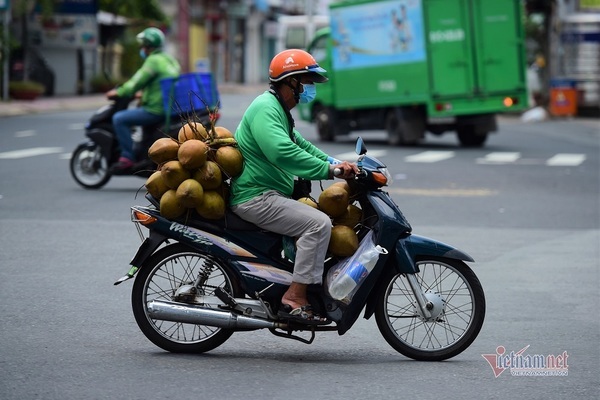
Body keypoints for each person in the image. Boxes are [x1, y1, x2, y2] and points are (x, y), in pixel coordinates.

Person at [229, 49, 358, 324]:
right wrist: (329, 170)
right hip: (256, 197)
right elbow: (282, 151)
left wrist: (338, 162)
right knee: (318, 224)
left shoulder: (278, 110)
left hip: (269, 194)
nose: (308, 90)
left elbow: (302, 145)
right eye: (306, 83)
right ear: (291, 82)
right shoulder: (266, 108)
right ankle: (295, 297)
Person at [106, 27, 181, 171]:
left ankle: (127, 156)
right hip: (168, 107)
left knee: (119, 119)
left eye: (142, 45)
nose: (141, 48)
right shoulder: (169, 59)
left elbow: (136, 83)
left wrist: (118, 92)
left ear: (147, 46)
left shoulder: (153, 61)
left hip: (155, 109)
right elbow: (158, 85)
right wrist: (142, 95)